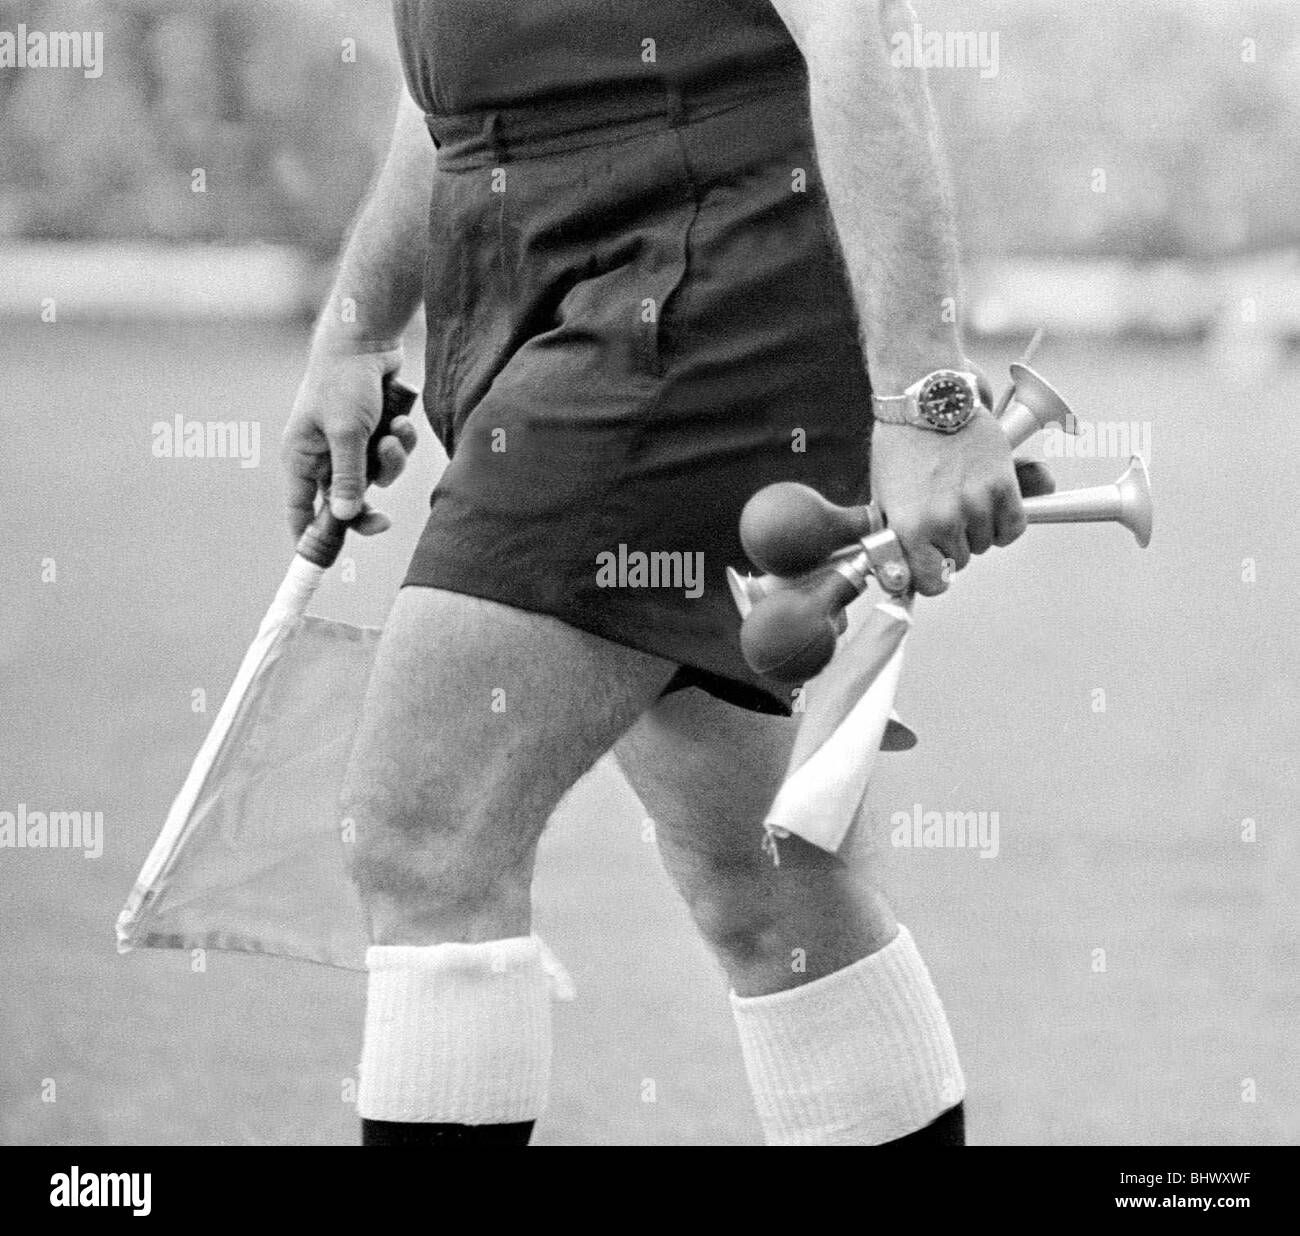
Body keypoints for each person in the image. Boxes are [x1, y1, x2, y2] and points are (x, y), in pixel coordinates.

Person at [282, 0, 1033, 1147]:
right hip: (539, 275)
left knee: (423, 833)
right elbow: (448, 69)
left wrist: (925, 396)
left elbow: (852, 28)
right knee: (765, 886)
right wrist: (358, 324)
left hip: (694, 282)